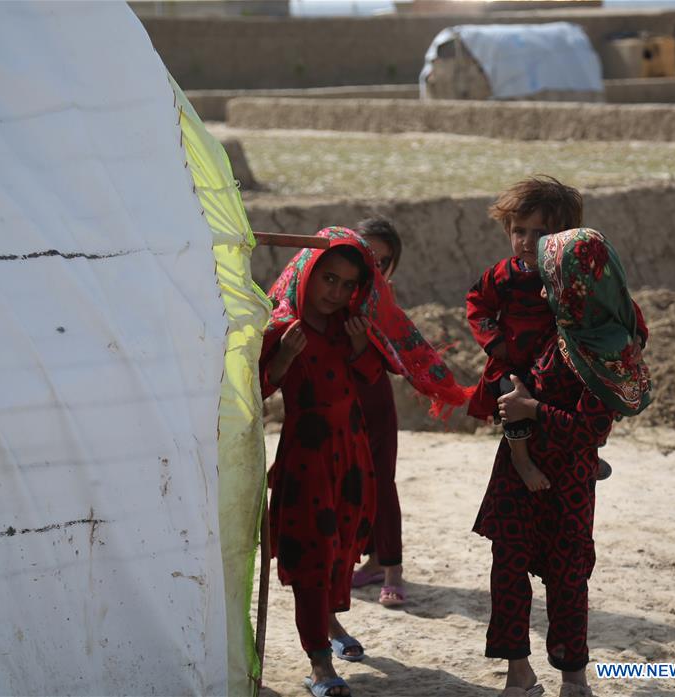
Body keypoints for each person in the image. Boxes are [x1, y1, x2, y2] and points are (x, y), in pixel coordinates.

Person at [261, 226, 472, 697]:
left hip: (350, 457)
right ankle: (319, 663)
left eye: (345, 285)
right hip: (307, 458)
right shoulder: (282, 329)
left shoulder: (350, 326)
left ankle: (331, 626)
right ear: (307, 273)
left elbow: (370, 380)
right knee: (312, 557)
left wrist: (359, 349)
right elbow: (255, 390)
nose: (334, 292)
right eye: (327, 279)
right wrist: (281, 361)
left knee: (339, 551)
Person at [473, 228, 652, 697]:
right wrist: (521, 430)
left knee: (568, 579)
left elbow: (589, 431)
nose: (545, 288)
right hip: (517, 469)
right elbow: (509, 382)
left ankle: (573, 678)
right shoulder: (552, 330)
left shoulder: (610, 347)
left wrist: (533, 410)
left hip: (568, 482)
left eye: (554, 278)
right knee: (507, 570)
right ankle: (519, 675)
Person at [466, 176, 594, 491]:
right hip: (514, 363)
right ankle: (522, 461)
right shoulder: (503, 275)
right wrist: (495, 343)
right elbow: (477, 305)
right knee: (511, 394)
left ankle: (589, 451)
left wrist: (634, 336)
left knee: (590, 394)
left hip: (561, 366)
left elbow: (617, 306)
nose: (526, 241)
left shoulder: (573, 274)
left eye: (539, 233)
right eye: (519, 231)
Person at [349, 217, 407, 607]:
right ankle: (371, 560)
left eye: (383, 261)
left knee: (382, 483)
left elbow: (393, 359)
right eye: (366, 256)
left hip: (374, 401)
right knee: (352, 482)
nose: (375, 267)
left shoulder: (382, 302)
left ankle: (392, 571)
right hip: (339, 402)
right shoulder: (331, 289)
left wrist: (359, 345)